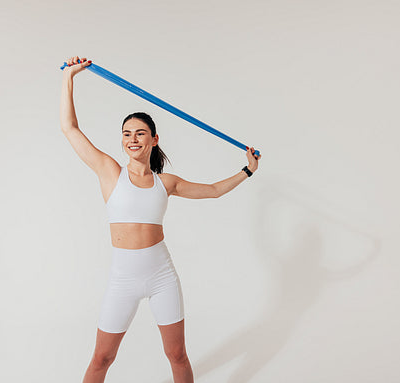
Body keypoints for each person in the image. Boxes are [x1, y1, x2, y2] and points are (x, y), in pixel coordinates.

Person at [60, 56, 261, 383]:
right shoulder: (110, 172)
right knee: (102, 358)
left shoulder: (165, 183)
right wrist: (70, 78)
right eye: (127, 134)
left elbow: (212, 190)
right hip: (122, 280)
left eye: (140, 133)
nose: (133, 139)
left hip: (161, 275)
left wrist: (247, 170)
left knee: (177, 355)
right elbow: (69, 128)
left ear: (154, 140)